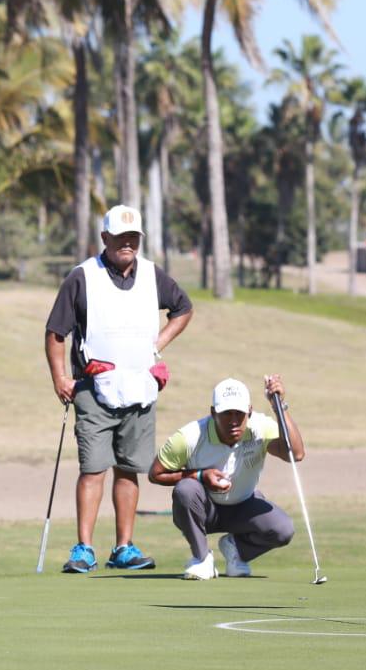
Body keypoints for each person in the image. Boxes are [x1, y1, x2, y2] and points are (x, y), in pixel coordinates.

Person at [44, 205, 194, 573]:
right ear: (105, 238)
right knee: (93, 468)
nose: (127, 244)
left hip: (140, 390)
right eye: (120, 238)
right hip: (94, 388)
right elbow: (55, 333)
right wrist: (60, 379)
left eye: (133, 238)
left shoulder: (151, 276)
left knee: (129, 469)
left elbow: (183, 308)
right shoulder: (82, 277)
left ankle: (123, 548)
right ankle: (84, 549)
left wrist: (156, 345)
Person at [149, 375, 306, 579]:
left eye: (239, 414)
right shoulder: (190, 436)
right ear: (213, 412)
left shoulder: (260, 426)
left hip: (244, 506)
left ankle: (236, 549)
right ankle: (202, 558)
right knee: (186, 489)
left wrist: (279, 407)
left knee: (282, 529)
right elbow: (155, 474)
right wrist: (200, 475)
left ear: (249, 411)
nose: (233, 421)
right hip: (204, 509)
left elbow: (296, 453)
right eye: (226, 414)